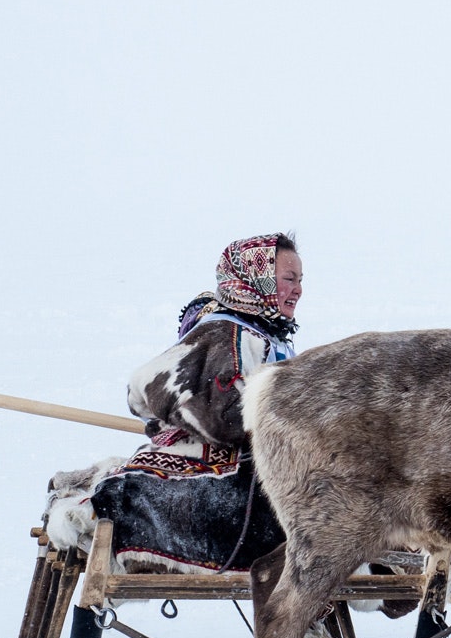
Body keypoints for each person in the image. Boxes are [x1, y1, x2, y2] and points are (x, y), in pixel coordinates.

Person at [89, 234, 302, 573]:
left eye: (300, 280)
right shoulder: (227, 331)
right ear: (256, 278)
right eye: (288, 279)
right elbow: (222, 417)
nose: (298, 290)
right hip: (227, 485)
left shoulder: (264, 334)